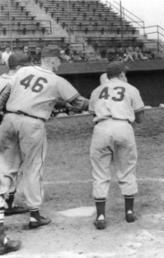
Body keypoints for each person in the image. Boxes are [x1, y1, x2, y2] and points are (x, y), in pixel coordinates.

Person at [0, 45, 89, 251]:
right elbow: (78, 103)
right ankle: (34, 215)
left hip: (9, 120)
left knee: (4, 171)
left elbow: (4, 94)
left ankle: (2, 228)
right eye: (59, 60)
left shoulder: (22, 71)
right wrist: (100, 102)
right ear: (51, 59)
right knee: (33, 167)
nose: (60, 64)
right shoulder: (57, 80)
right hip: (32, 124)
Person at [89, 61, 144, 230]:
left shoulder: (97, 90)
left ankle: (100, 215)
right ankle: (129, 213)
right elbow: (140, 117)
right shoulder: (131, 88)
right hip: (123, 126)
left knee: (100, 173)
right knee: (127, 169)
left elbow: (91, 114)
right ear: (121, 74)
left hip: (101, 128)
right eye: (124, 73)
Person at [0, 54, 30, 217]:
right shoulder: (13, 82)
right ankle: (7, 205)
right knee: (10, 167)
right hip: (6, 128)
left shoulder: (2, 79)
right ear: (19, 68)